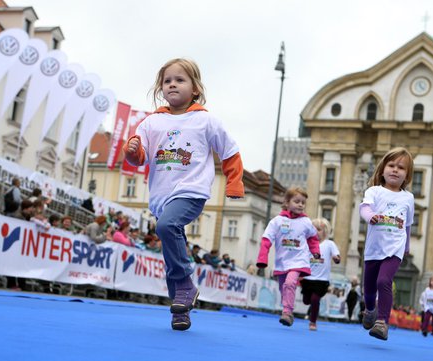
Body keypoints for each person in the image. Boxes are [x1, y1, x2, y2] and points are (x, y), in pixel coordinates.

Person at [123, 58, 245, 331]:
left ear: (196, 89)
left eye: (180, 80)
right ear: (160, 89)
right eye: (167, 81)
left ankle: (186, 285)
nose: (172, 85)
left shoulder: (205, 120)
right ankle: (180, 309)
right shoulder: (151, 122)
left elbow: (230, 151)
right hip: (161, 195)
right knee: (169, 247)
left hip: (192, 190)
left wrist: (234, 184)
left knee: (167, 226)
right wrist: (131, 151)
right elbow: (139, 156)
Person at [359, 147, 414, 340]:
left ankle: (382, 323)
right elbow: (364, 209)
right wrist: (371, 216)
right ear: (382, 169)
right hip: (374, 249)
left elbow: (407, 224)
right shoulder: (374, 191)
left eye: (401, 167)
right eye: (391, 165)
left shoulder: (408, 198)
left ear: (407, 175)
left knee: (384, 281)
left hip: (394, 249)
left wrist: (406, 246)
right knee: (369, 289)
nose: (395, 170)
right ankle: (370, 309)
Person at [256, 187, 320, 327]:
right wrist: (262, 258)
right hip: (282, 261)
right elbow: (266, 239)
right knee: (283, 288)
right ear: (286, 202)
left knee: (290, 283)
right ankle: (287, 308)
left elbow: (313, 238)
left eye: (303, 202)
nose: (300, 205)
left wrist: (315, 251)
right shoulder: (277, 221)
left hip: (298, 260)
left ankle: (287, 312)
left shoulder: (306, 222)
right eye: (296, 201)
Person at [300, 218, 340, 331]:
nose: (315, 232)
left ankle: (313, 322)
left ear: (325, 232)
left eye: (319, 229)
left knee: (314, 299)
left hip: (321, 280)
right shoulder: (307, 243)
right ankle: (310, 311)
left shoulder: (329, 244)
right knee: (306, 301)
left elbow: (336, 255)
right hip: (307, 278)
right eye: (313, 229)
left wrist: (336, 258)